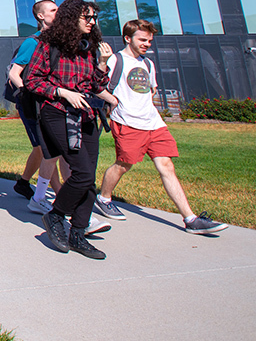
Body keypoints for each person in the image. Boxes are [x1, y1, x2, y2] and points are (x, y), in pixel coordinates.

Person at [96, 19, 227, 235]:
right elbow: (97, 84)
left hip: (154, 123)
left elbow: (151, 90)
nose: (147, 43)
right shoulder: (115, 60)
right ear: (128, 38)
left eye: (149, 40)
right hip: (128, 122)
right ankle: (104, 198)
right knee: (123, 164)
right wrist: (112, 100)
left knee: (166, 166)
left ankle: (191, 219)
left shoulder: (148, 64)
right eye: (142, 39)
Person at [25, 0, 118, 260]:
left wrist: (102, 63)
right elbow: (31, 80)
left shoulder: (88, 49)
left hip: (86, 114)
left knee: (88, 178)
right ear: (70, 19)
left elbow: (94, 85)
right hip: (57, 113)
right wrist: (62, 92)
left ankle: (78, 233)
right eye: (86, 17)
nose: (92, 22)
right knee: (83, 173)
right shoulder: (49, 45)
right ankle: (55, 216)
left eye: (93, 18)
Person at [6, 0, 71, 211]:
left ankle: (27, 184)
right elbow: (14, 73)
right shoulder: (32, 43)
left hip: (55, 103)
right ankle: (59, 196)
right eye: (53, 10)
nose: (57, 13)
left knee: (52, 150)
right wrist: (28, 93)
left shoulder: (62, 42)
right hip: (35, 105)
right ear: (40, 16)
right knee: (47, 150)